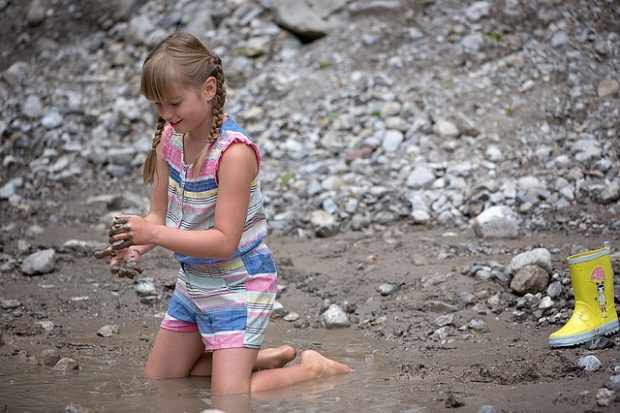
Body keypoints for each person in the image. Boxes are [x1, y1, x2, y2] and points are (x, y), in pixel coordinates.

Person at [107, 31, 352, 395]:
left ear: (208, 89)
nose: (166, 115)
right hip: (195, 282)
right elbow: (157, 216)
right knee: (163, 380)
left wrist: (153, 235)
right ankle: (256, 357)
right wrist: (137, 245)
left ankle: (312, 369)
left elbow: (225, 242)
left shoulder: (234, 154)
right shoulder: (168, 142)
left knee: (233, 396)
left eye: (173, 103)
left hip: (239, 284)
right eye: (157, 106)